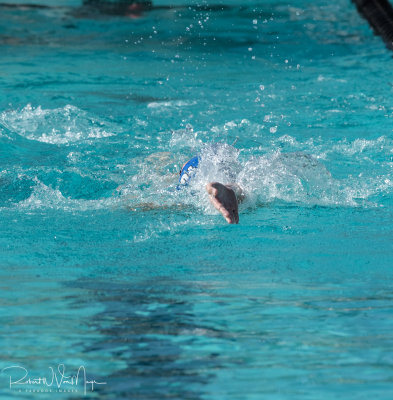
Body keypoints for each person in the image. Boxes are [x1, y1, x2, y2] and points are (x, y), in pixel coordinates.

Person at [178, 156, 244, 225]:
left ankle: (225, 190)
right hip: (203, 160)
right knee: (242, 191)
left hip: (188, 170)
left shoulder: (181, 183)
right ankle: (228, 189)